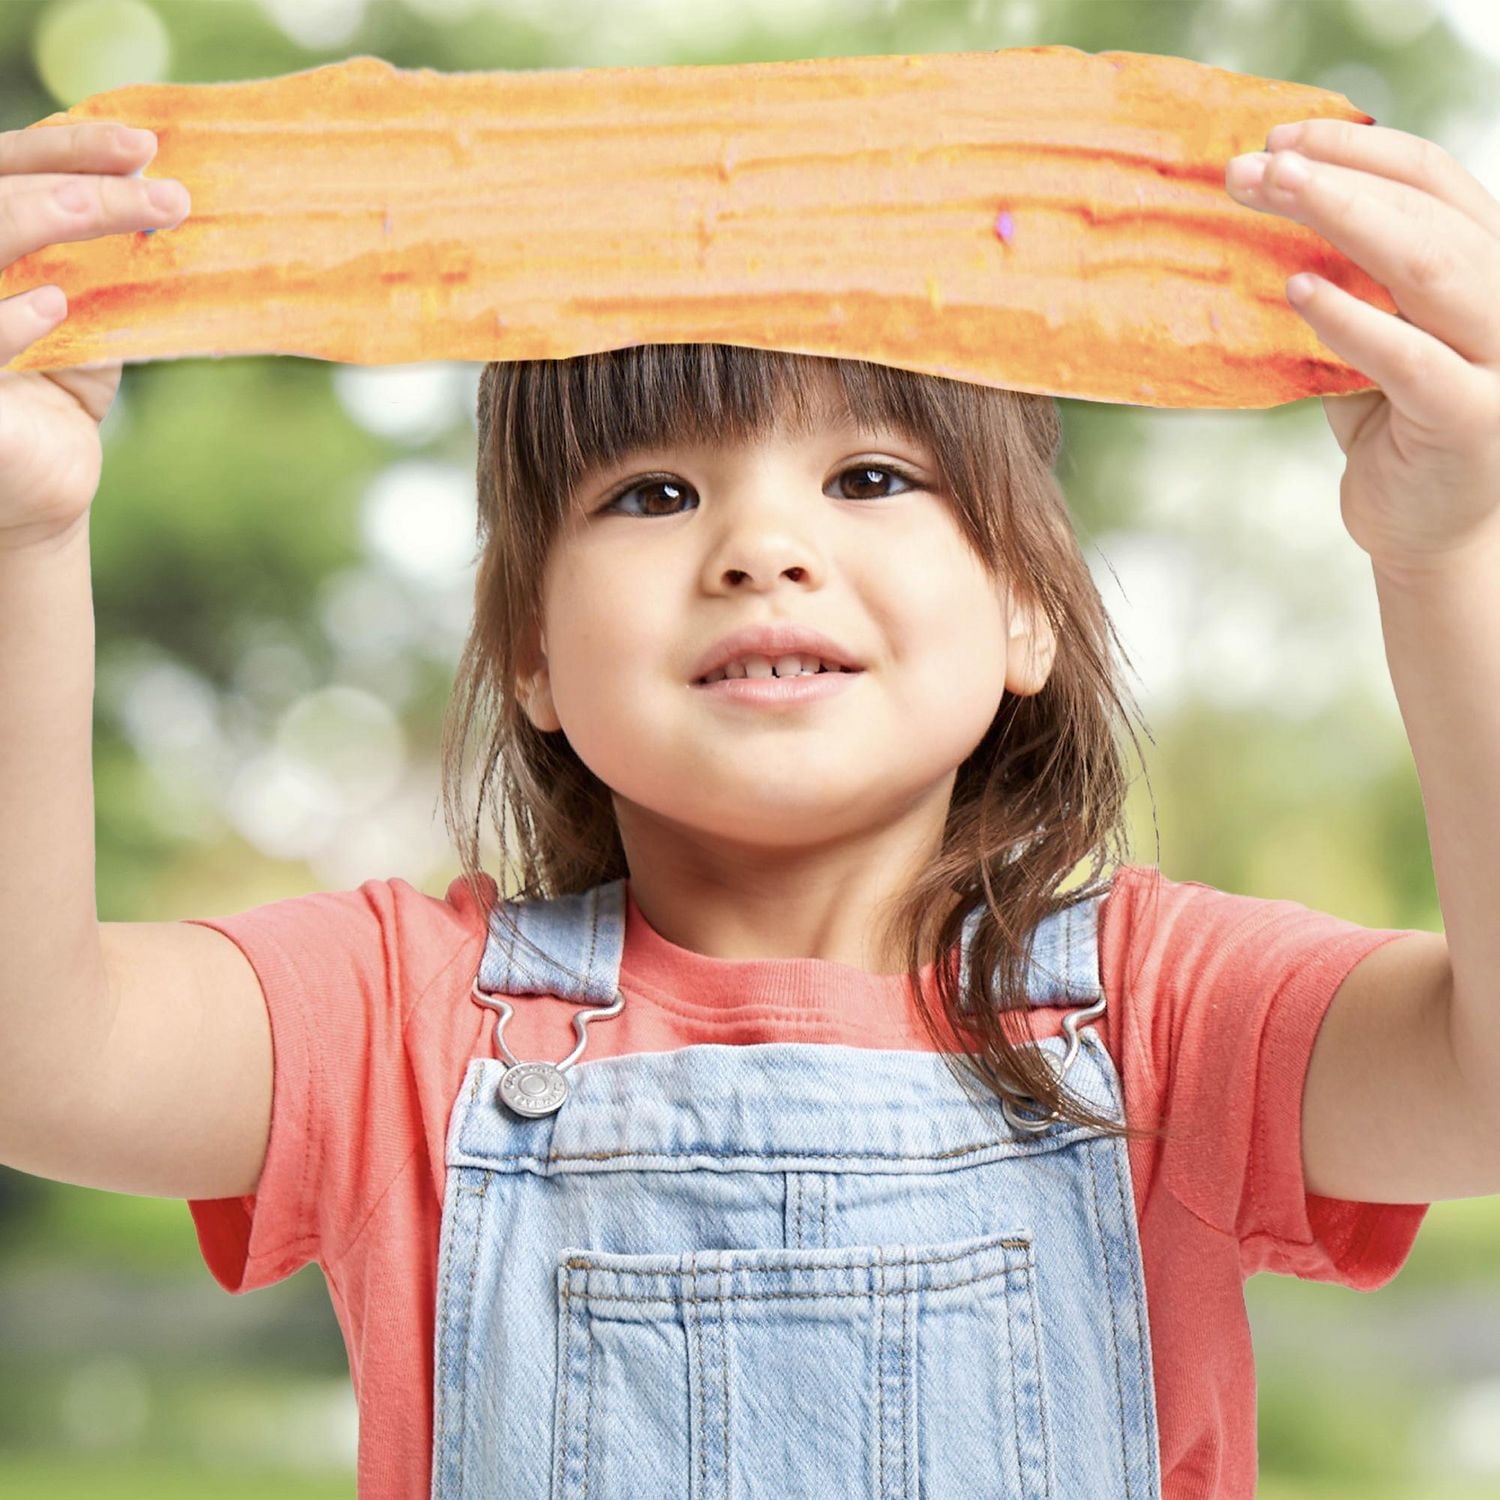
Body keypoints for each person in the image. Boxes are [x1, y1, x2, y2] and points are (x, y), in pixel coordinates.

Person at [6, 111, 1499, 1500]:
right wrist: (22, 534)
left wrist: (1450, 559)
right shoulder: (404, 1023)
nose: (762, 547)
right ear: (531, 648)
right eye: (652, 494)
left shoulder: (1173, 1017)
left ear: (1029, 608)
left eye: (868, 474)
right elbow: (41, 1056)